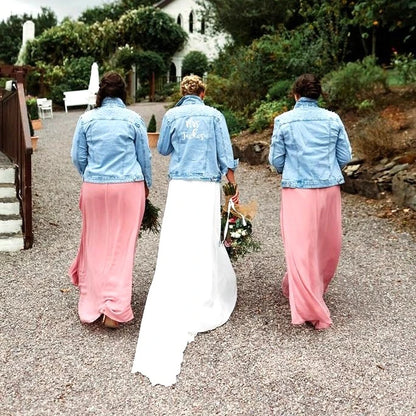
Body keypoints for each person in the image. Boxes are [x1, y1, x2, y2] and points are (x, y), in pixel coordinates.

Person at [132, 75, 239, 386]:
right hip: (206, 184)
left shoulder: (173, 115)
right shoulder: (215, 115)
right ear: (203, 93)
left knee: (179, 239)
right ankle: (204, 290)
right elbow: (225, 153)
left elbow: (163, 148)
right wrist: (232, 188)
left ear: (183, 93)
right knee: (204, 237)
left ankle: (179, 283)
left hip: (181, 185)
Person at [268, 73, 352, 330]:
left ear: (296, 95)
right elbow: (345, 156)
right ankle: (306, 290)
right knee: (327, 245)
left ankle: (310, 305)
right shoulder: (332, 119)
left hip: (298, 190)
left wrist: (292, 168)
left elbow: (276, 161)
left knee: (300, 246)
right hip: (328, 189)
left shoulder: (283, 121)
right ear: (318, 95)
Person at [69, 71, 152, 329]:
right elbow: (144, 158)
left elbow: (77, 157)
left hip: (95, 185)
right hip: (128, 186)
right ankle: (114, 308)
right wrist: (146, 187)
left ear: (101, 93)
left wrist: (91, 174)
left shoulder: (86, 119)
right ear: (123, 92)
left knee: (95, 244)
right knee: (121, 247)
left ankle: (93, 303)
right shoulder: (134, 119)